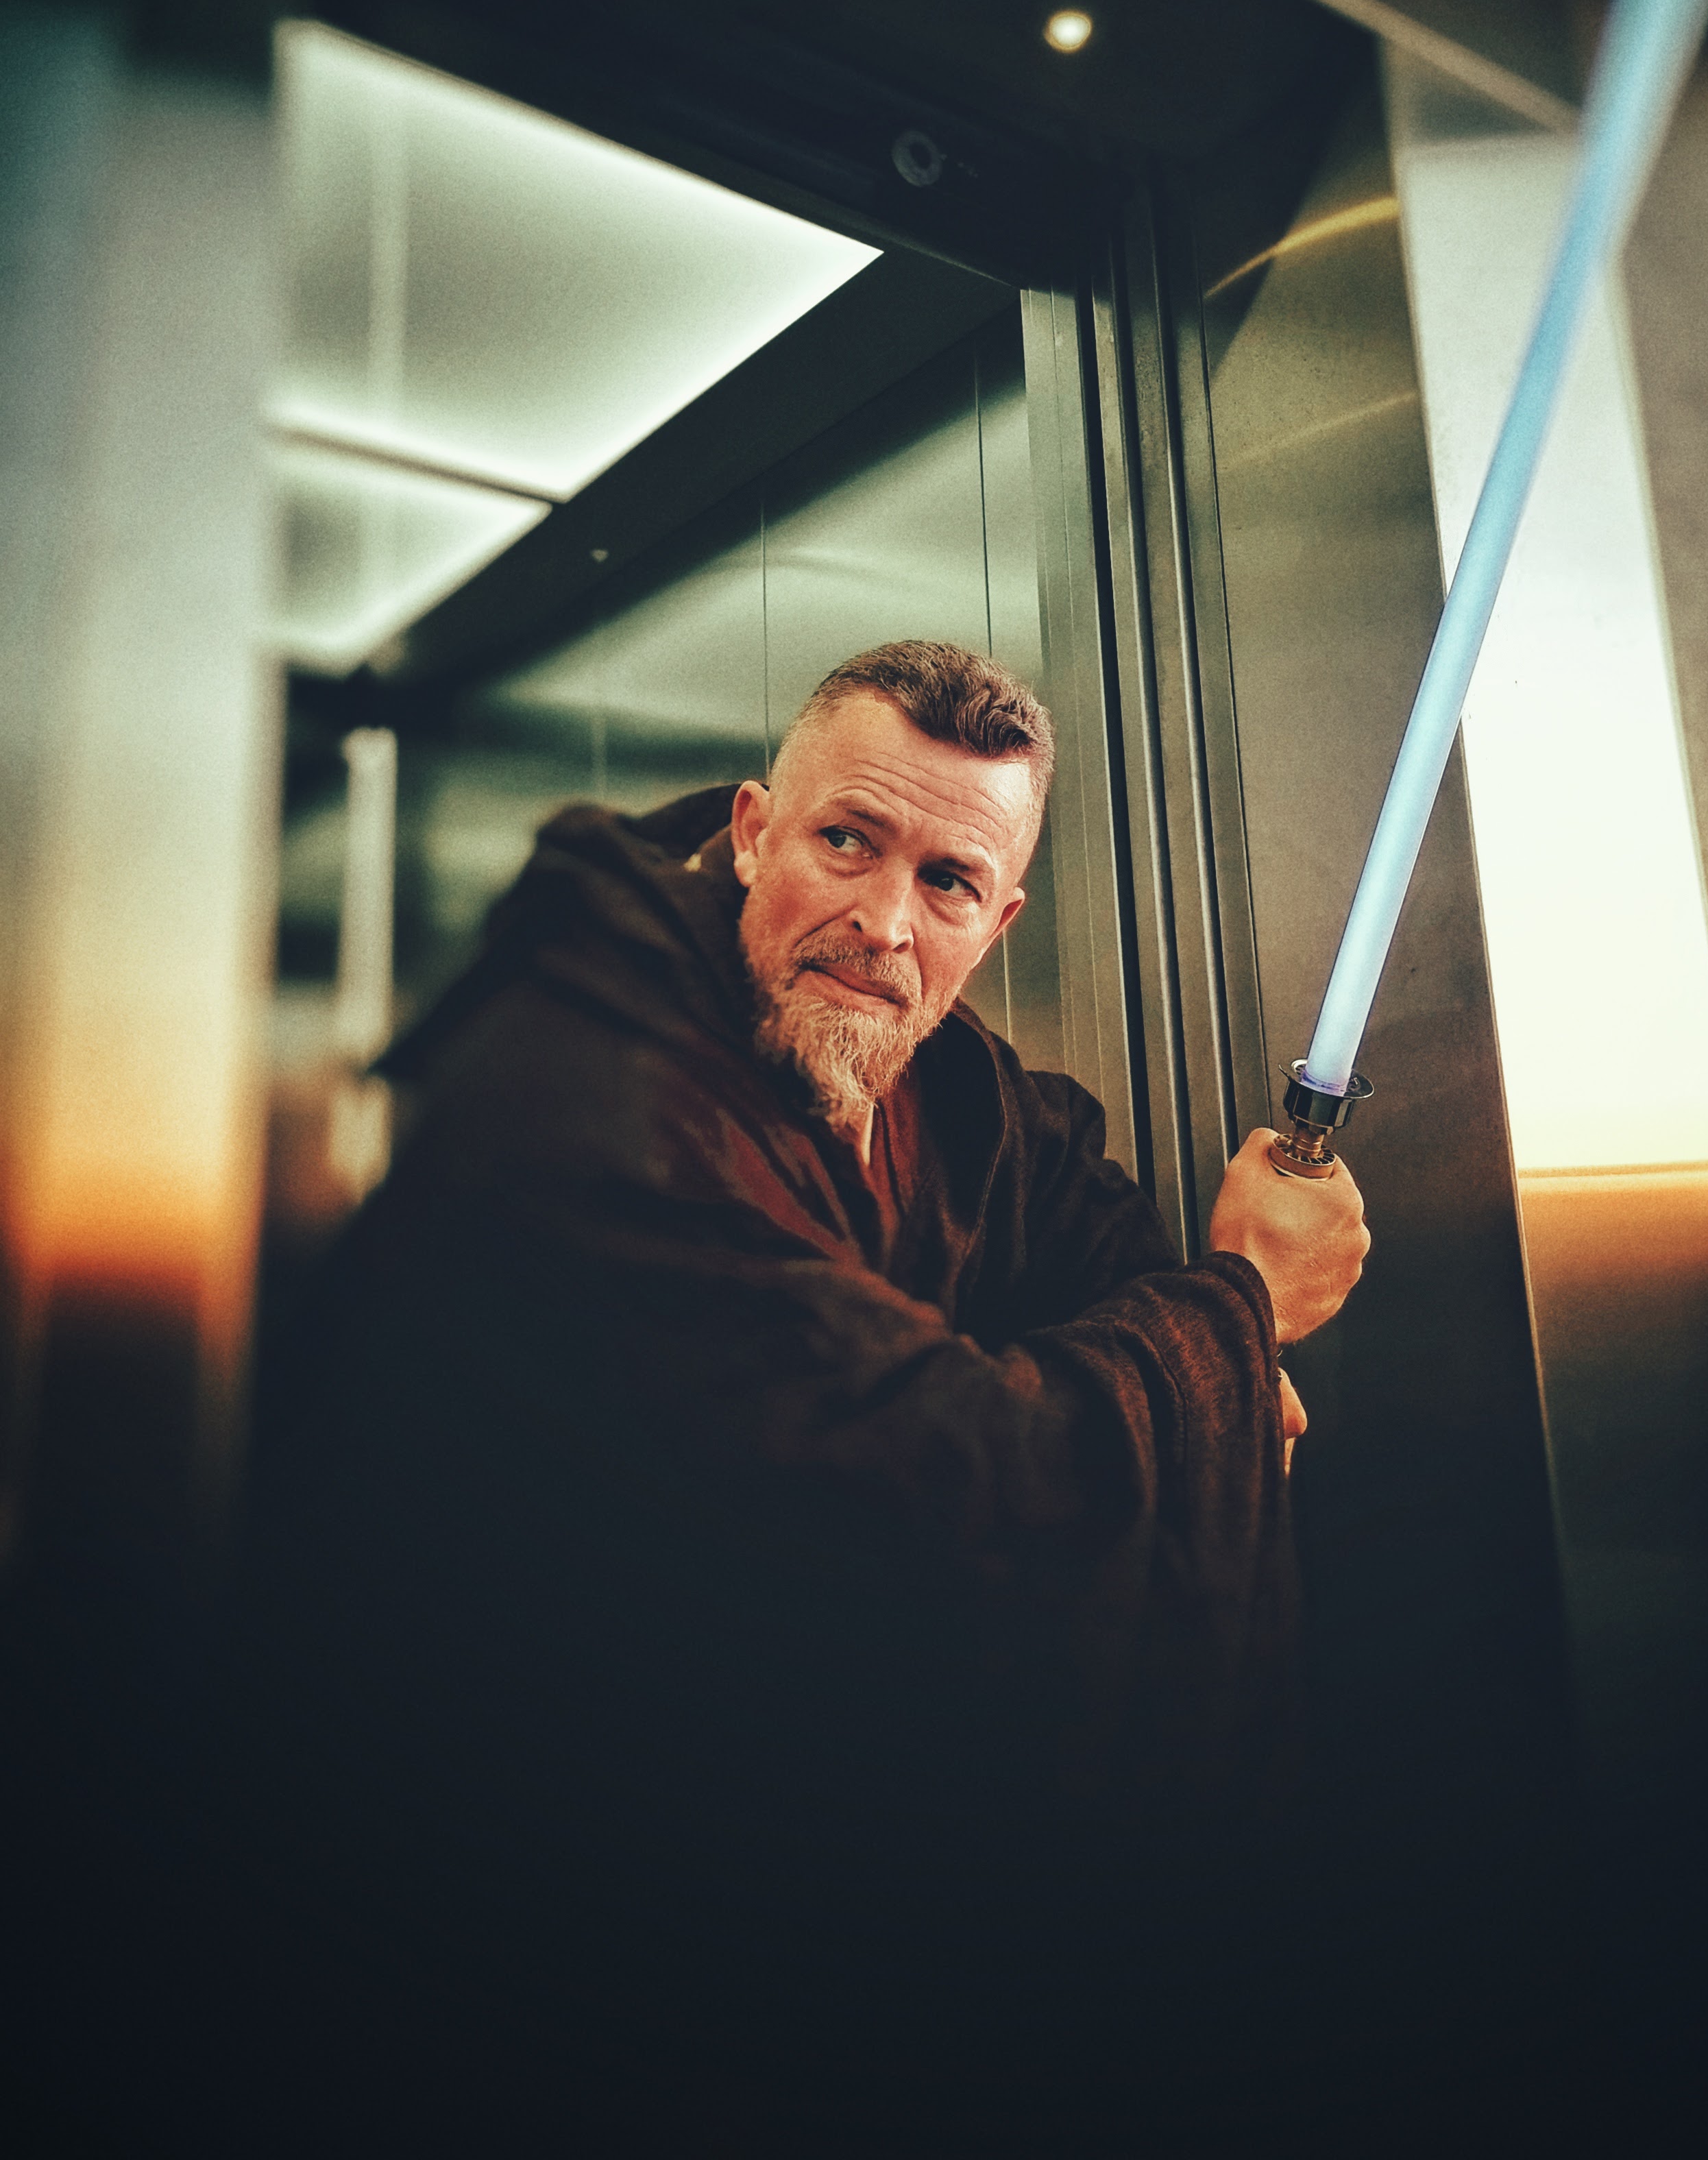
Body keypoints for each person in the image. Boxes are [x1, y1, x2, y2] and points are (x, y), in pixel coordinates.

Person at [232, 640, 1369, 2122]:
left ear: (1000, 921)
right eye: (848, 841)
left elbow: (1090, 1230)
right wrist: (1238, 1314)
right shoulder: (584, 1100)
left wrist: (1200, 1336)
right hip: (511, 1951)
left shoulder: (947, 1085)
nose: (884, 923)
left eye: (948, 882)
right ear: (753, 829)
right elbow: (925, 1488)